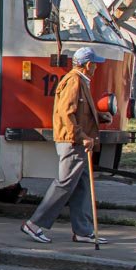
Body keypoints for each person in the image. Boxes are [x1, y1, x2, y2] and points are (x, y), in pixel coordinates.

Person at [21, 47, 110, 245]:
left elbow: (78, 112)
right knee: (64, 183)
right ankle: (34, 224)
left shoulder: (79, 81)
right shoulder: (74, 81)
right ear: (88, 65)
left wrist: (100, 117)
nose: (96, 68)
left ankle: (83, 231)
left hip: (76, 141)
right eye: (95, 64)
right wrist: (82, 136)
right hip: (72, 142)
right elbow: (65, 114)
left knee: (82, 186)